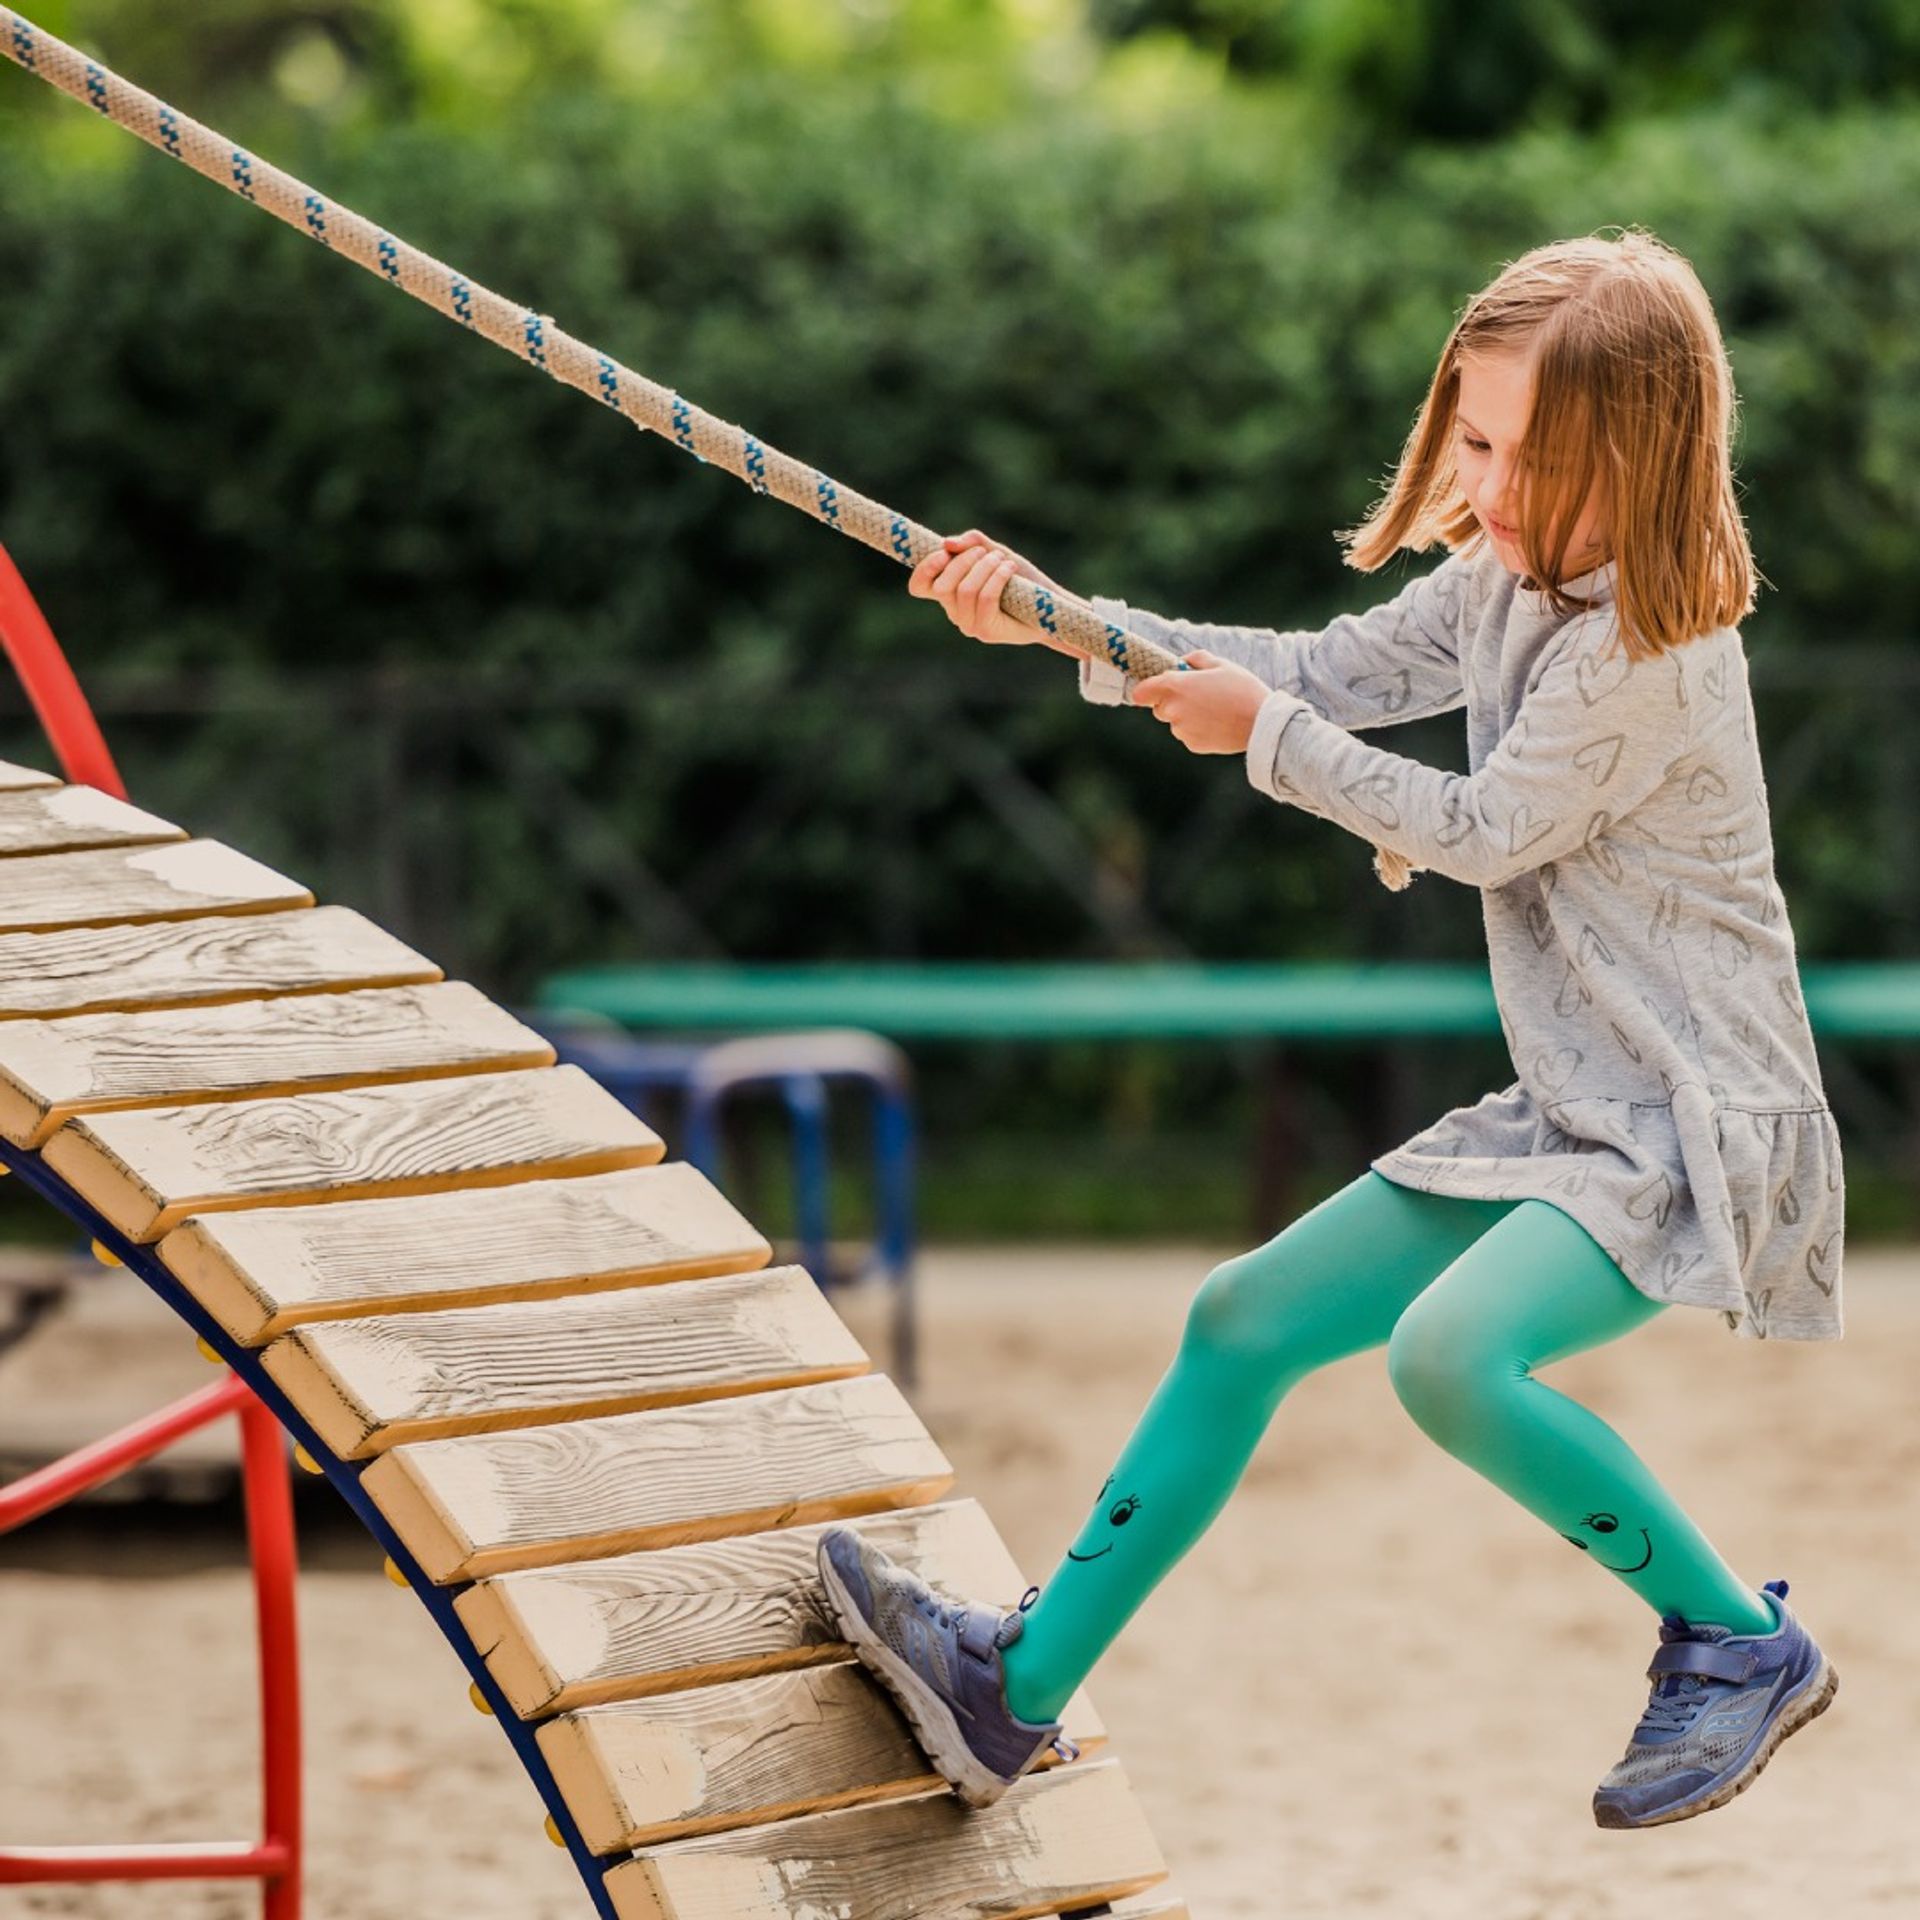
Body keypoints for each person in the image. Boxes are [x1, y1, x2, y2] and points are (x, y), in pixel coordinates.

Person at [817, 228, 1844, 1831]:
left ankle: (1739, 1643)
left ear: (1641, 454)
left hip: (1686, 1118)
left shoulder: (1650, 645)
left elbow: (1488, 825)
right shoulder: (1509, 583)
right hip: (1577, 1106)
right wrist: (1067, 624)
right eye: (1478, 439)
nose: (1490, 487)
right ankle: (1007, 1695)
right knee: (1243, 1319)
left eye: (1533, 457)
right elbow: (1319, 670)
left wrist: (1271, 743)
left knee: (1451, 1357)